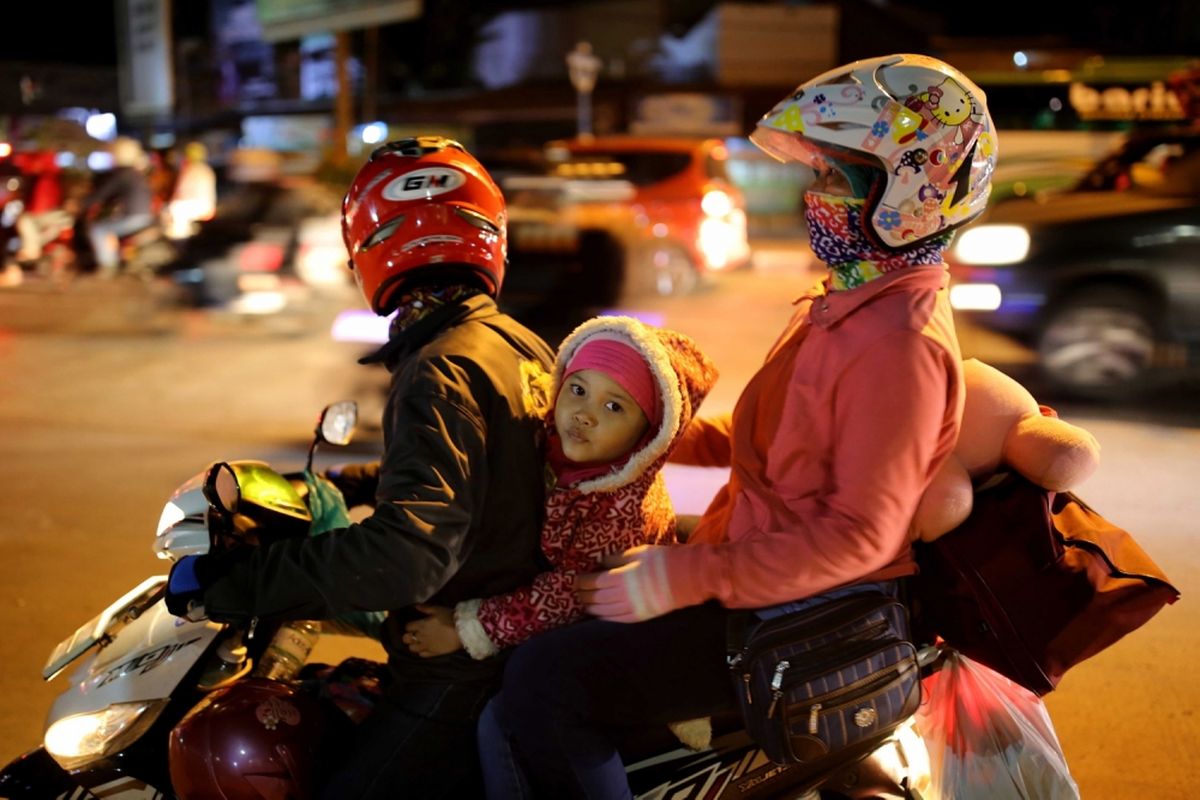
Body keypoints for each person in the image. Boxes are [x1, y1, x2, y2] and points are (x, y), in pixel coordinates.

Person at [484, 53, 999, 798]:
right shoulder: (848, 305)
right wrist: (649, 428)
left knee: (543, 683)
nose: (812, 196)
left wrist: (684, 577)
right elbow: (769, 439)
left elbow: (861, 537)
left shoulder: (898, 345)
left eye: (833, 178)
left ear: (906, 194)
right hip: (751, 565)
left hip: (796, 610)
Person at [163, 135, 556, 799]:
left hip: (458, 674)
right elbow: (492, 476)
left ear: (372, 246)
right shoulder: (512, 342)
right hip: (510, 647)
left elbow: (408, 556)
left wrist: (235, 582)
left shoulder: (440, 367)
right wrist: (360, 483)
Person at [402, 315, 717, 658]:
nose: (584, 415)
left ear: (649, 433)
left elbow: (566, 596)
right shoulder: (549, 440)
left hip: (605, 632)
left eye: (614, 406)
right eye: (578, 390)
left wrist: (466, 629)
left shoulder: (620, 512)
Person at [81, 136, 156, 277]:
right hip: (143, 215)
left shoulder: (122, 174)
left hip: (133, 217)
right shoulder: (135, 173)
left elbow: (102, 194)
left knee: (98, 229)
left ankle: (108, 265)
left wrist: (82, 203)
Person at [164, 141, 217, 239]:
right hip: (208, 205)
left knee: (174, 207)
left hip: (195, 206)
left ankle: (180, 238)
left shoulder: (190, 170)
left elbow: (181, 191)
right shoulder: (207, 169)